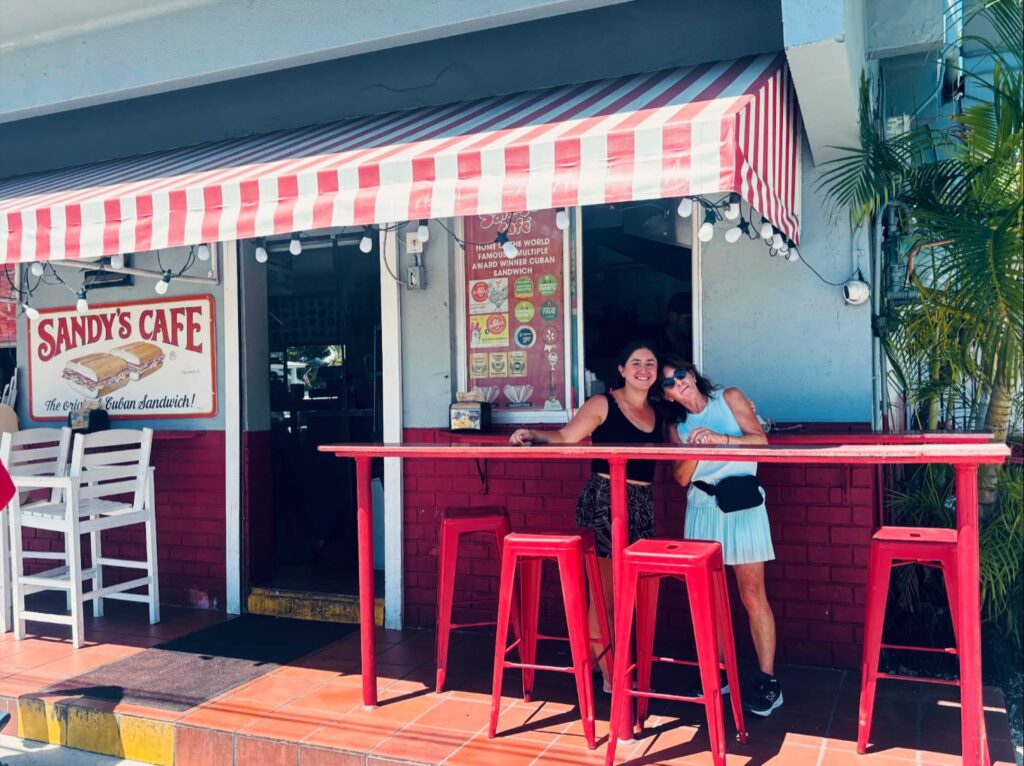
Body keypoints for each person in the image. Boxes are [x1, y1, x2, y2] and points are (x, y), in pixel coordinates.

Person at [509, 340, 665, 693]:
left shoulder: (659, 411)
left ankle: (599, 660)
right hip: (607, 499)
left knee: (630, 591)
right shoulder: (604, 403)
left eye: (650, 363)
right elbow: (566, 436)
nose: (644, 369)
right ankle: (612, 674)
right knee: (605, 594)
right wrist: (532, 434)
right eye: (636, 362)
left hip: (641, 502)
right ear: (622, 370)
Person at [659, 354, 783, 717]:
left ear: (692, 374)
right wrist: (698, 452)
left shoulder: (728, 397)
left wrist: (720, 438)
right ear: (666, 396)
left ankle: (768, 680)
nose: (677, 383)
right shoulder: (676, 427)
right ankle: (720, 673)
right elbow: (681, 477)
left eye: (680, 374)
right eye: (668, 383)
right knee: (709, 601)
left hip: (744, 505)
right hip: (702, 507)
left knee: (751, 594)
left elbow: (760, 442)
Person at [657, 292, 692, 358]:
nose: (692, 325)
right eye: (688, 320)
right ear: (672, 316)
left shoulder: (693, 341)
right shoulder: (657, 343)